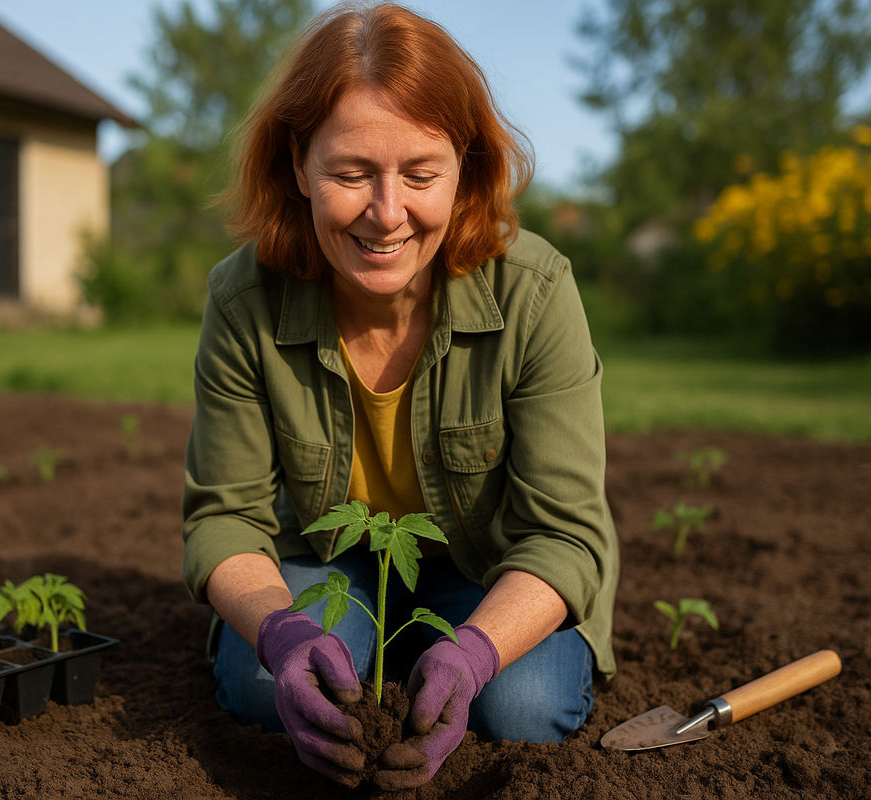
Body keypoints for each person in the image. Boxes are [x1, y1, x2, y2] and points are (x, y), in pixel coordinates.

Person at [181, 1, 619, 790]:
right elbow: (224, 518)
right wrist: (280, 636)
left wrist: (476, 650)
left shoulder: (535, 291)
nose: (388, 215)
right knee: (259, 690)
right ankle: (367, 649)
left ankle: (427, 654)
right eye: (351, 174)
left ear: (466, 167)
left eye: (421, 175)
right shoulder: (245, 300)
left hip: (492, 567)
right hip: (328, 561)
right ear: (298, 165)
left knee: (521, 707)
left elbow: (568, 536)